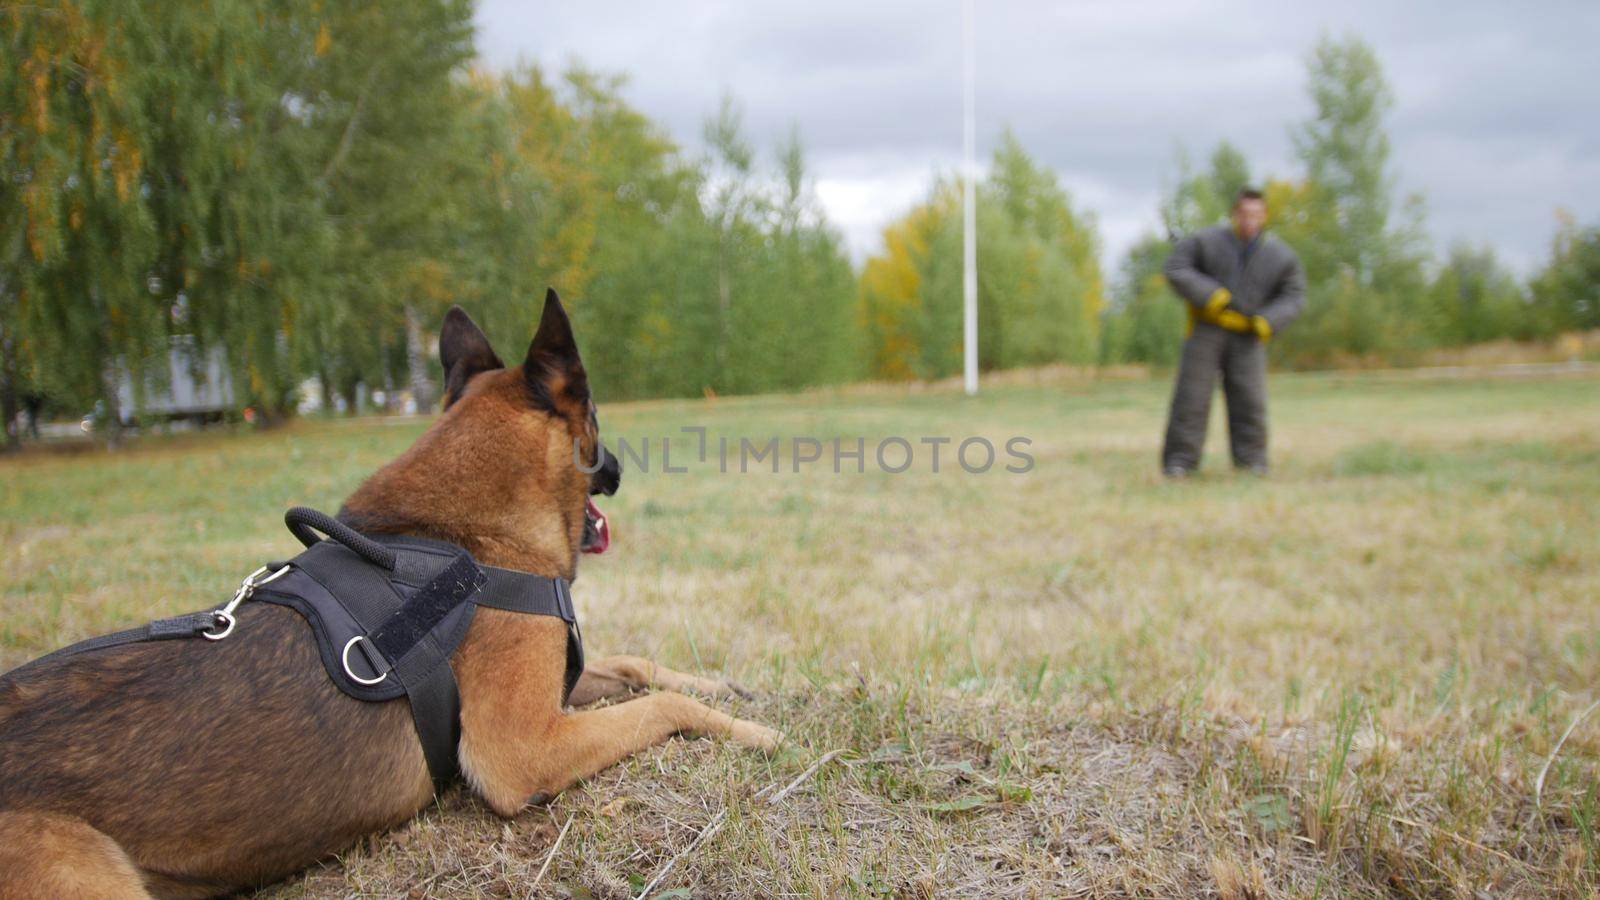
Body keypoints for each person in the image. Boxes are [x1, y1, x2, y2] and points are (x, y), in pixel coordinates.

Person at [1160, 187, 1306, 477]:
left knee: (1250, 400)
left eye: (1255, 214)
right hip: (1206, 330)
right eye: (1243, 213)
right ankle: (1180, 463)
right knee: (1192, 398)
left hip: (1249, 334)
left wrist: (1267, 320)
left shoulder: (1281, 256)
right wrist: (1212, 296)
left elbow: (1295, 295)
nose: (1249, 220)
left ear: (1264, 216)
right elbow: (1176, 267)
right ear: (1234, 214)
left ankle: (1252, 462)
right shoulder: (1205, 241)